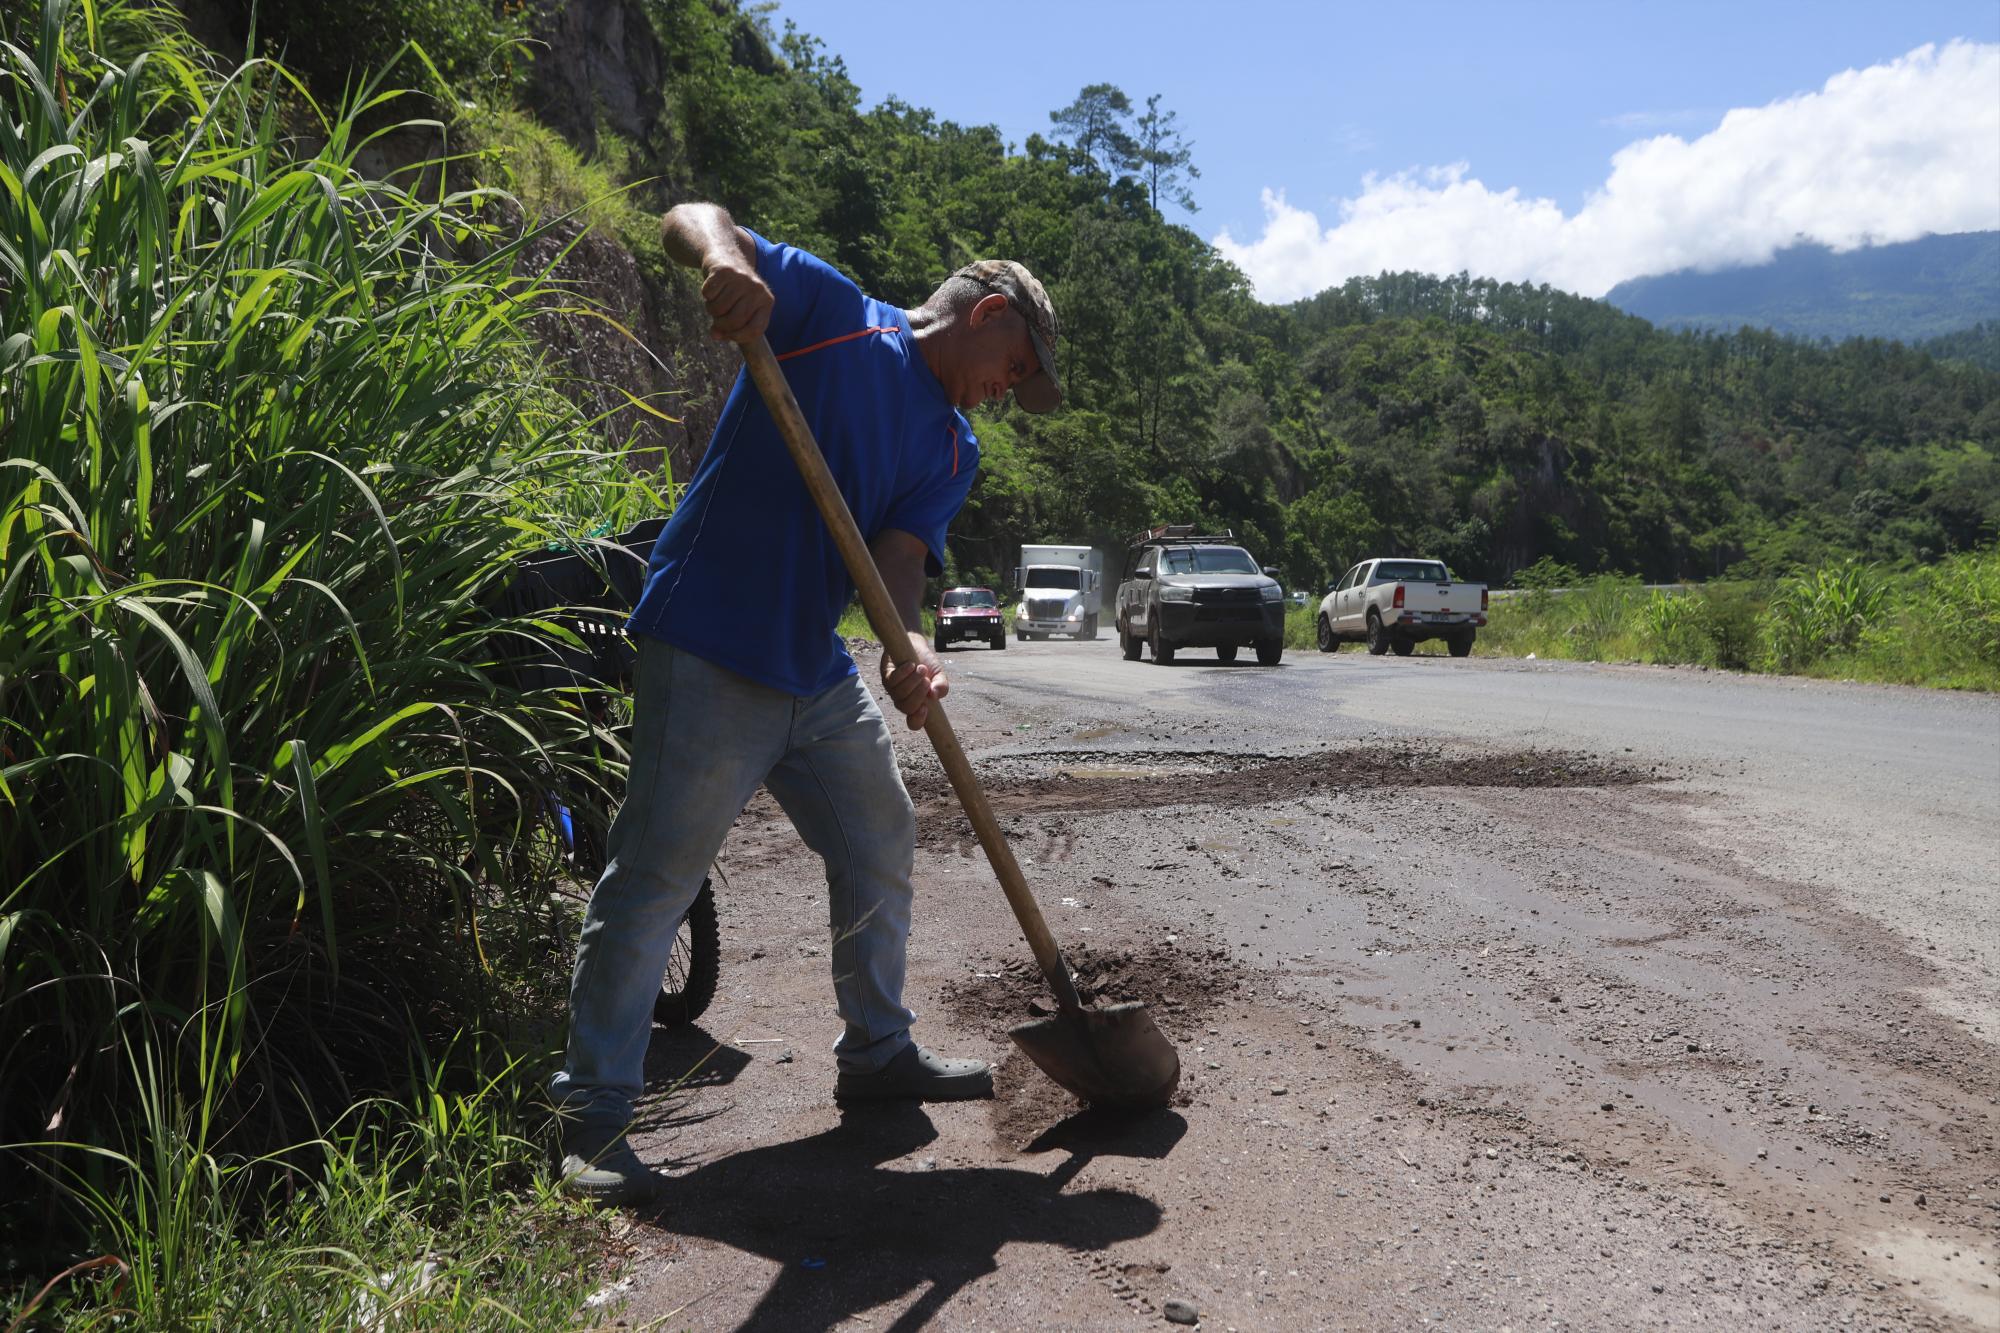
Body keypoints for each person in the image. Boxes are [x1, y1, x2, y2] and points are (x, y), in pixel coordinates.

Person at [551, 201, 1063, 1204]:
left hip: (812, 670)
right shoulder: (831, 312)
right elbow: (690, 216)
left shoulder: (953, 450)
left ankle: (876, 1051)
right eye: (1020, 370)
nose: (1012, 394)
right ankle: (591, 1116)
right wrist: (720, 263)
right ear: (988, 311)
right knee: (653, 876)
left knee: (879, 835)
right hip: (706, 638)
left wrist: (910, 647)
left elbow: (899, 566)